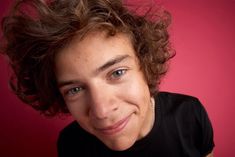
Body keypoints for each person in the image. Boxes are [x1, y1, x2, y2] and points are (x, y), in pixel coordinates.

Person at [0, 0, 214, 156]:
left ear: (144, 65)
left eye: (117, 72)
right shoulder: (71, 144)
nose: (101, 111)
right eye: (75, 89)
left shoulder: (189, 115)